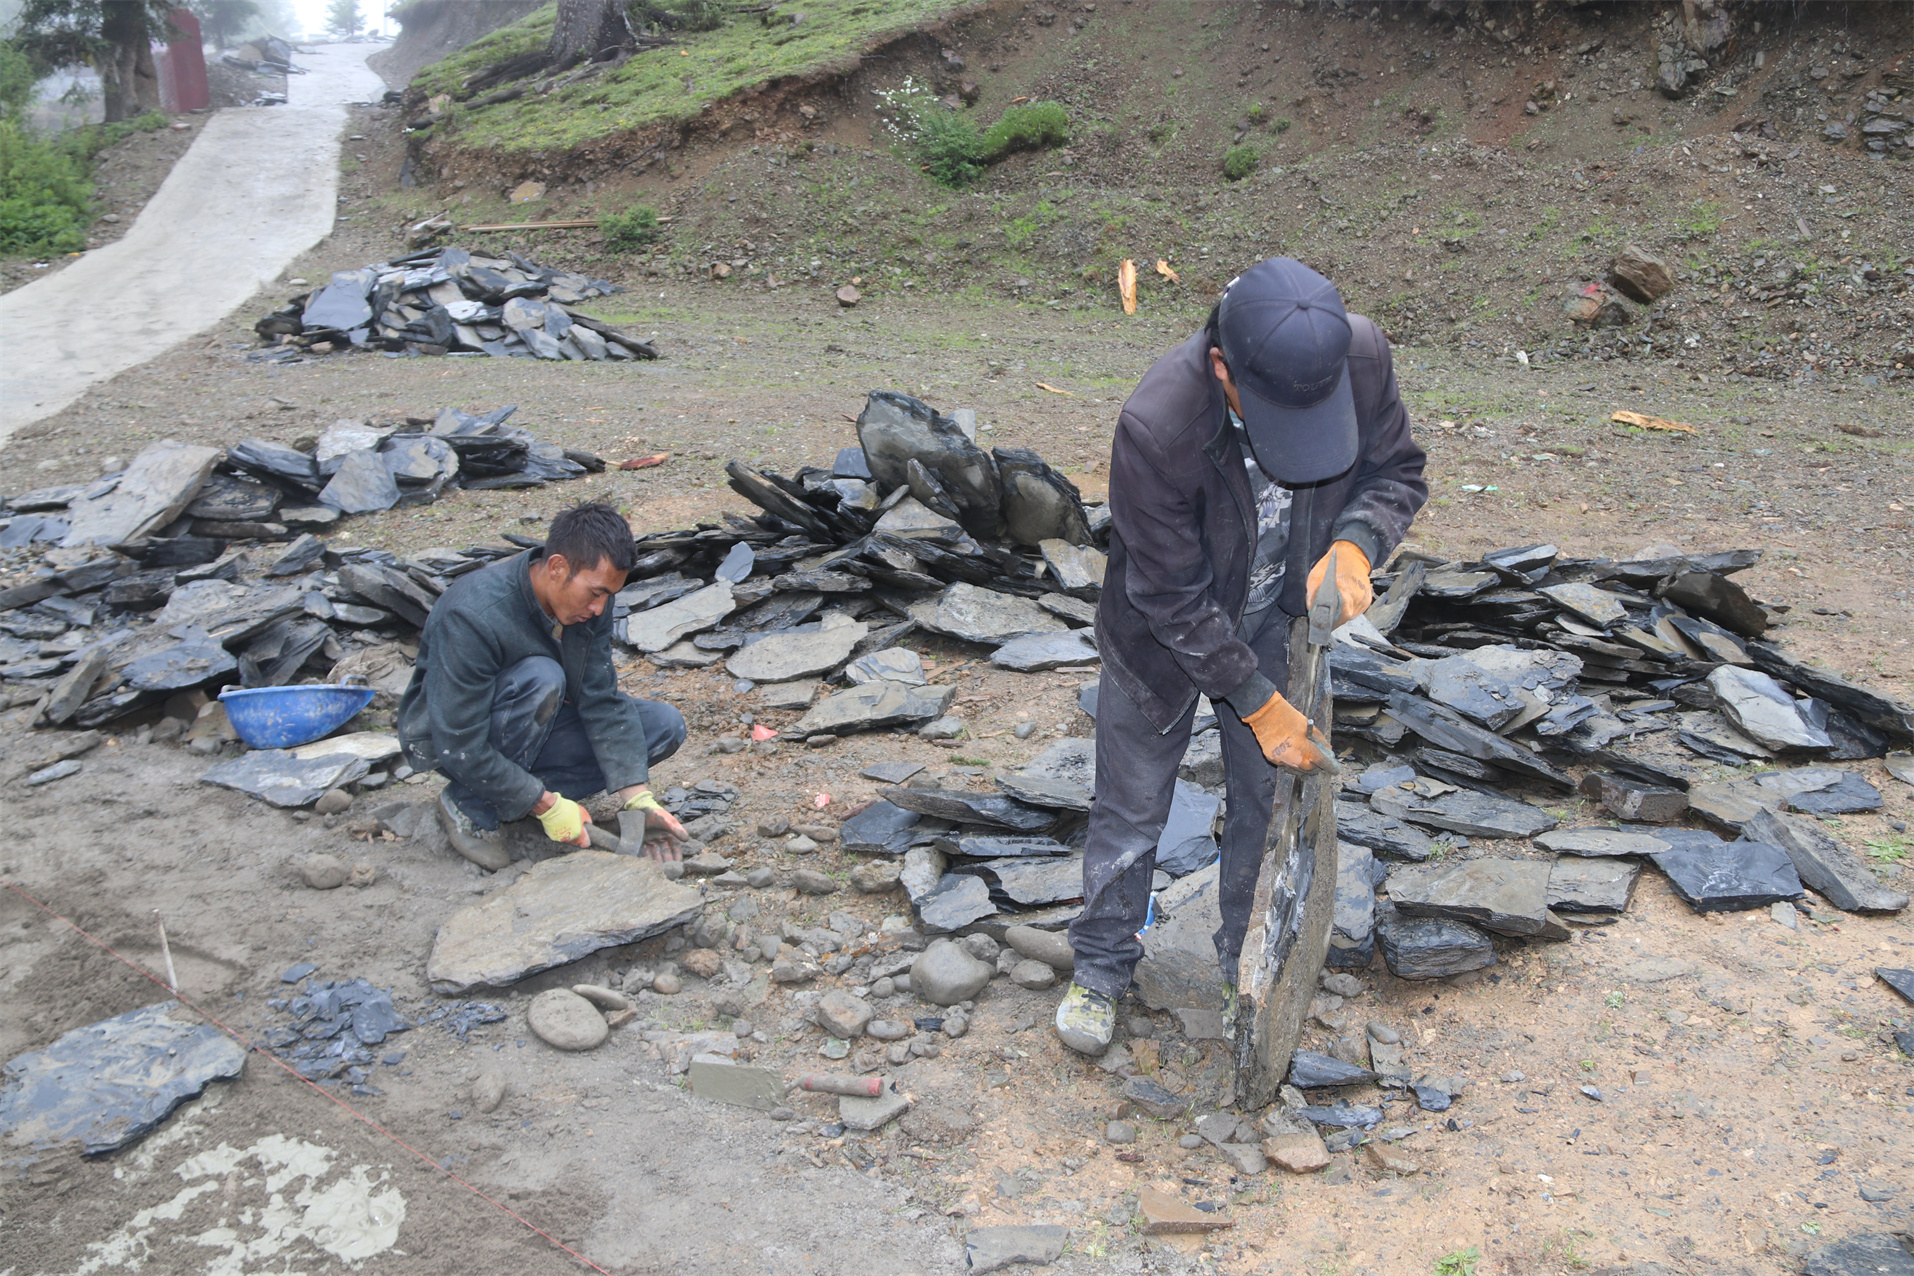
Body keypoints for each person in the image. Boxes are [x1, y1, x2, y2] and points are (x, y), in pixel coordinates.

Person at [1054, 257, 1428, 1056]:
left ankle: (1244, 967)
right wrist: (1256, 704)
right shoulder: (1159, 425)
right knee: (1132, 806)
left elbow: (1396, 471)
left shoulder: (1356, 356)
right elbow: (1170, 596)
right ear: (1223, 367)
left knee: (1268, 799)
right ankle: (1102, 967)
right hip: (1161, 636)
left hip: (1277, 615)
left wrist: (1357, 545)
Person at [397, 501, 689, 871]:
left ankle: (514, 794)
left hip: (532, 723)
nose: (600, 608)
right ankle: (469, 804)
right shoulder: (472, 614)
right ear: (557, 568)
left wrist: (638, 798)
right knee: (543, 677)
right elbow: (458, 742)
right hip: (454, 740)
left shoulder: (589, 604)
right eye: (595, 593)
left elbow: (599, 699)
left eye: (608, 595)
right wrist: (545, 804)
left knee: (662, 726)